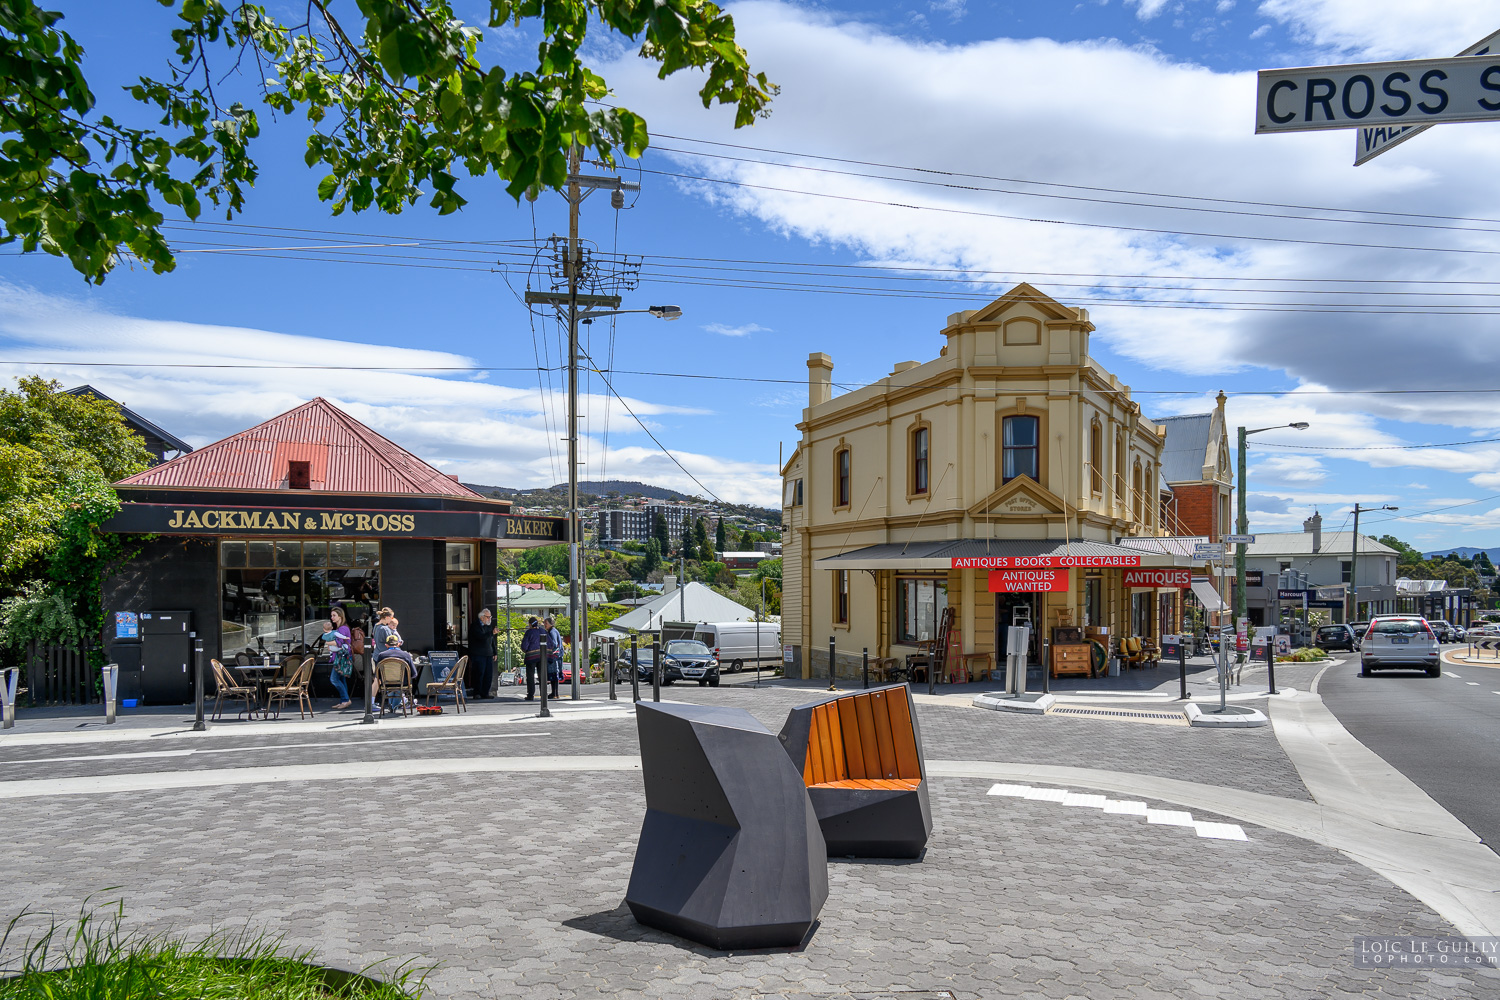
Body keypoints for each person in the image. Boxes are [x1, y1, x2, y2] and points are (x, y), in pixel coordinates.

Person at [321, 606, 355, 710]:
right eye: (331, 615)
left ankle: (346, 700)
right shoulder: (340, 628)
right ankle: (344, 701)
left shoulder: (342, 628)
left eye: (334, 615)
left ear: (340, 616)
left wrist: (326, 642)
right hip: (342, 657)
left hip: (341, 658)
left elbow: (339, 643)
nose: (332, 618)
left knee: (334, 679)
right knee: (341, 679)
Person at [374, 632, 416, 711]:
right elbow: (413, 674)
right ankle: (396, 705)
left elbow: (377, 674)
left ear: (386, 645)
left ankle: (393, 706)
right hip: (403, 683)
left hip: (386, 683)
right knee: (398, 687)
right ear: (399, 644)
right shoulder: (406, 655)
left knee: (391, 686)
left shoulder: (381, 655)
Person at [470, 608, 497, 700]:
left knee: (488, 674)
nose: (489, 619)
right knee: (479, 673)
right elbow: (481, 637)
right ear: (482, 617)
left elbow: (492, 640)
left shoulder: (489, 626)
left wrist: (494, 652)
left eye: (490, 617)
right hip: (478, 653)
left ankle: (485, 692)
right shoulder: (475, 626)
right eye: (488, 617)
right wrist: (491, 633)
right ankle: (477, 692)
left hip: (488, 653)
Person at [520, 616, 543, 701]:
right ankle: (543, 694)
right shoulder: (543, 631)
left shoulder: (529, 632)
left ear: (530, 624)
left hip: (531, 657)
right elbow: (550, 643)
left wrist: (526, 651)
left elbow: (524, 646)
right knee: (542, 676)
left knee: (530, 676)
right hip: (542, 657)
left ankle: (530, 695)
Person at [543, 616, 564, 699]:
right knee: (555, 675)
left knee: (553, 675)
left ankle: (554, 693)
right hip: (557, 656)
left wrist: (548, 650)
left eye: (546, 623)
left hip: (554, 656)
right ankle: (555, 693)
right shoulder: (553, 631)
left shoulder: (552, 632)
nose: (544, 625)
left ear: (550, 624)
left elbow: (554, 644)